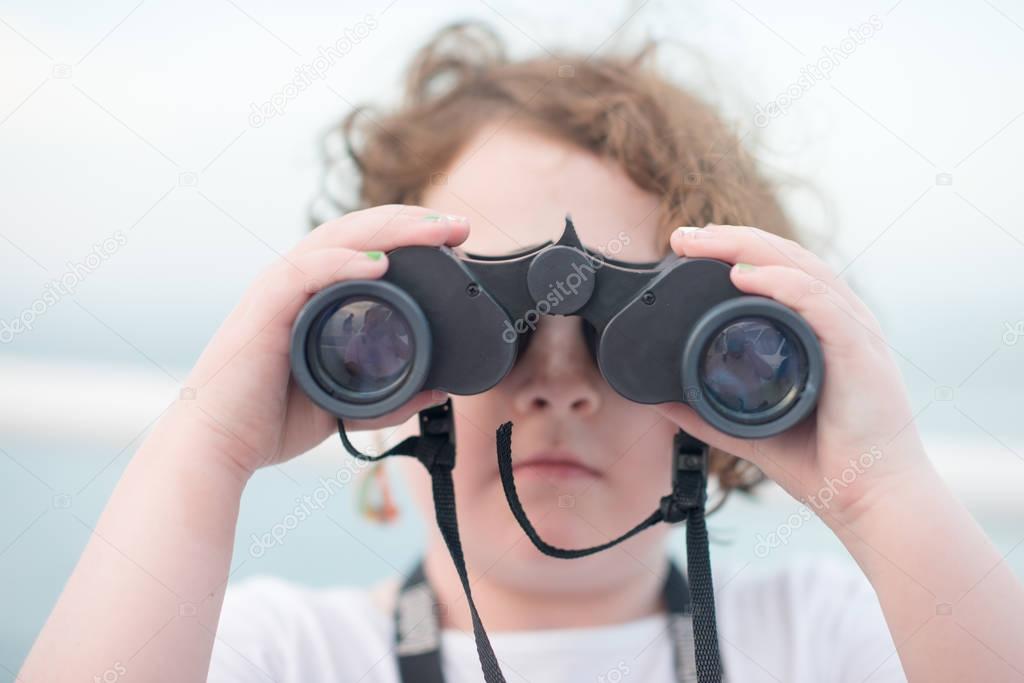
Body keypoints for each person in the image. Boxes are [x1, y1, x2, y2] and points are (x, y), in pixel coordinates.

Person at [20, 22, 1024, 683]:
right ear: (388, 364)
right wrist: (208, 440)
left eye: (627, 340)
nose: (556, 387)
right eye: (476, 333)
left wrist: (878, 485)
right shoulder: (274, 650)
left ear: (719, 400)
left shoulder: (832, 635)